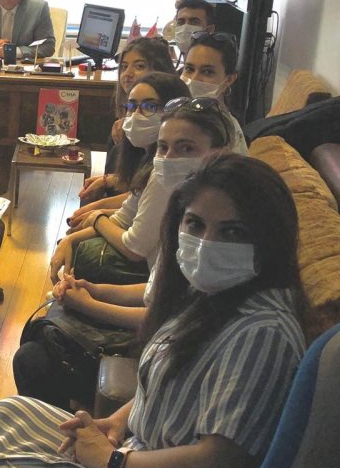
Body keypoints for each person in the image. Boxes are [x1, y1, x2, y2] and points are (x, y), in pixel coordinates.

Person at [0, 153, 308, 468]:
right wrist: (117, 422)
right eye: (195, 225)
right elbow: (167, 380)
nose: (206, 243)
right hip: (142, 461)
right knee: (6, 415)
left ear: (269, 240)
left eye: (232, 232)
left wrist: (111, 461)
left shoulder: (262, 332)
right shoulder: (210, 295)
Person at [17, 95, 236, 409]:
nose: (169, 159)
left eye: (186, 148)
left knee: (34, 355)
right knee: (41, 337)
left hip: (164, 348)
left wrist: (91, 304)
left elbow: (166, 313)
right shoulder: (185, 207)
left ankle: (64, 426)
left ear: (221, 153)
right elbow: (157, 289)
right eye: (163, 148)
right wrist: (95, 290)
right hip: (158, 336)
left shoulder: (214, 226)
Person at [50, 73, 190, 281]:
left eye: (150, 106)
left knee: (88, 256)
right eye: (132, 107)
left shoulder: (166, 171)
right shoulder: (149, 161)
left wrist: (97, 218)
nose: (136, 115)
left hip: (160, 276)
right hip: (152, 273)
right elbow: (125, 216)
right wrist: (70, 239)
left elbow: (135, 247)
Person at [75, 37, 176, 209]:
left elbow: (149, 194)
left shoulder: (169, 127)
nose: (128, 74)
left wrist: (98, 211)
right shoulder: (123, 123)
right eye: (124, 67)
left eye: (139, 66)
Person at [182, 31, 248, 153]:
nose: (194, 78)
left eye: (207, 72)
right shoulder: (175, 115)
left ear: (229, 80)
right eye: (189, 69)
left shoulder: (227, 133)